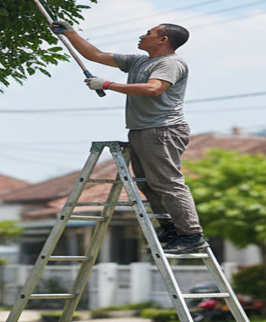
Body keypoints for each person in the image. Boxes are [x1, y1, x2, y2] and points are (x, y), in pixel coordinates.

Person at [51, 21, 207, 254]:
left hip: (162, 130)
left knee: (167, 182)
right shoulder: (139, 61)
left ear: (163, 40)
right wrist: (70, 33)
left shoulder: (170, 63)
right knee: (148, 184)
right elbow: (95, 55)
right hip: (142, 129)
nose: (142, 35)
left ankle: (191, 235)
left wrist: (108, 84)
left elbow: (153, 89)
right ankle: (172, 229)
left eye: (149, 33)